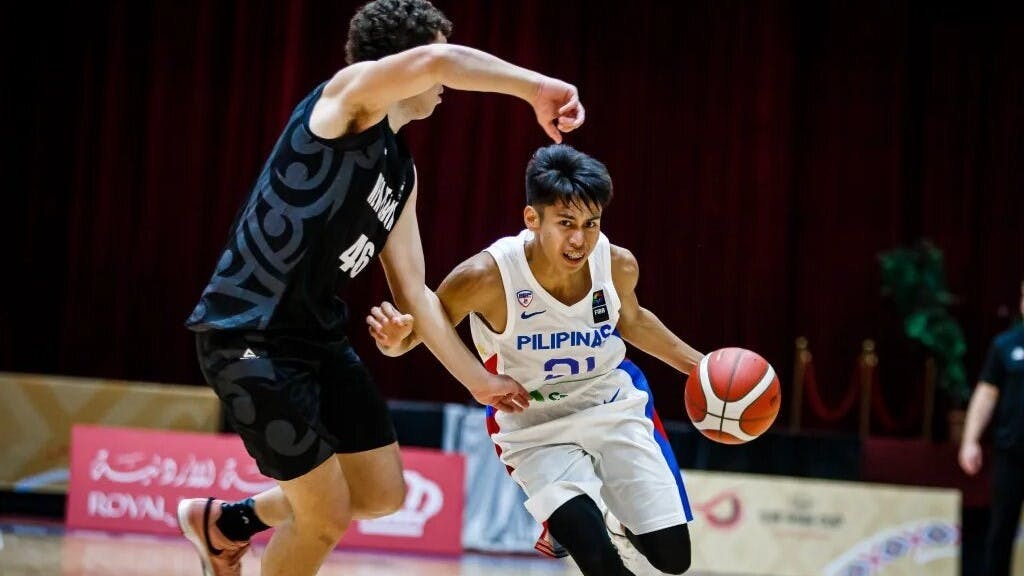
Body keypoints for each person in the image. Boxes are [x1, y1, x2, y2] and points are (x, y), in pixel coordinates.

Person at [176, 0, 586, 573]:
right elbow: (440, 62)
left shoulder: (401, 171)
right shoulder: (347, 100)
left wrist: (480, 382)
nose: (445, 85)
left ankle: (229, 523)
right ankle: (234, 529)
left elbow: (414, 290)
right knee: (324, 517)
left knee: (380, 494)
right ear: (403, 64)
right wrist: (536, 88)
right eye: (436, 64)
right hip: (249, 335)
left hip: (316, 338)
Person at [368, 144, 701, 575]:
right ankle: (578, 522)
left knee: (674, 559)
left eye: (591, 224)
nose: (580, 239)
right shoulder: (486, 276)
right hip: (533, 423)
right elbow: (415, 336)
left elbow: (634, 321)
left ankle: (617, 515)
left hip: (610, 403)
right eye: (566, 223)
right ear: (532, 218)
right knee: (597, 558)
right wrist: (393, 342)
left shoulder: (616, 265)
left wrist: (701, 368)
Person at [959, 280, 1024, 576]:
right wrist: (970, 440)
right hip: (1011, 453)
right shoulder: (1005, 345)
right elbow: (986, 394)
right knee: (1000, 532)